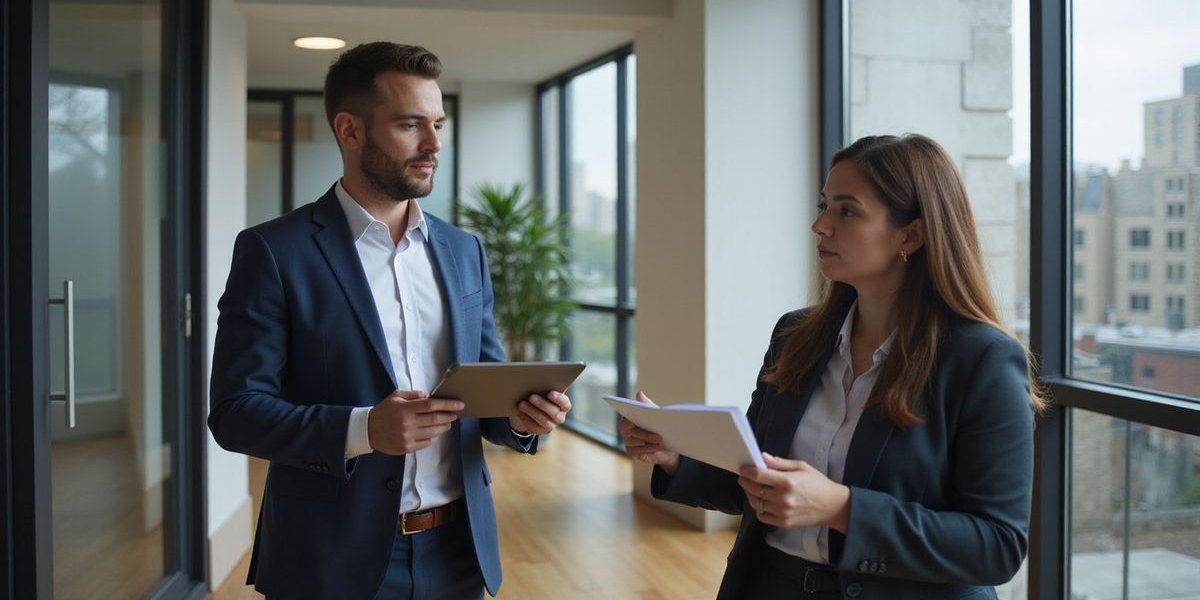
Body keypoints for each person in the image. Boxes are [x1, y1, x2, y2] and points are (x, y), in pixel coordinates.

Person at [208, 42, 571, 600]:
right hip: (328, 558)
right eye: (410, 125)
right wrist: (363, 430)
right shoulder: (274, 252)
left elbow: (484, 392)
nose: (433, 145)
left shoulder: (463, 250)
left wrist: (524, 419)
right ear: (350, 130)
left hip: (459, 555)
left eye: (438, 125)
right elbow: (235, 414)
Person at [621, 134, 1043, 600]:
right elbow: (758, 481)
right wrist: (675, 455)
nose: (819, 225)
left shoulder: (981, 359)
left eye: (846, 210)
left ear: (911, 235)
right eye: (824, 205)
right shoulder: (795, 336)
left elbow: (997, 546)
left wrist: (842, 509)